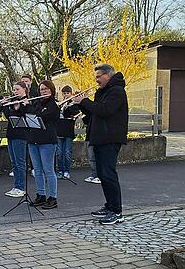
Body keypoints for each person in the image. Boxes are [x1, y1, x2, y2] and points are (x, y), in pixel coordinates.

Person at [73, 63, 129, 225]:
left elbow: (105, 111)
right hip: (99, 137)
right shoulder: (103, 92)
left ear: (108, 76)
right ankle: (109, 206)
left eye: (99, 77)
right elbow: (94, 112)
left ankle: (117, 211)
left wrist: (85, 101)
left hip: (110, 138)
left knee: (109, 174)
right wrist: (80, 104)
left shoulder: (117, 91)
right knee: (102, 175)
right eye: (96, 77)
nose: (96, 80)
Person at [27, 80, 60, 210]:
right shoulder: (36, 103)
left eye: (46, 89)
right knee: (37, 170)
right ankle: (41, 195)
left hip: (47, 141)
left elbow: (41, 116)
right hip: (33, 140)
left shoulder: (53, 105)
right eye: (41, 89)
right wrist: (25, 106)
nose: (44, 91)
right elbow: (28, 115)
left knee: (48, 170)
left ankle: (53, 197)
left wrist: (30, 108)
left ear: (51, 90)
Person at [2, 82, 31, 198]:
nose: (15, 91)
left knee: (20, 163)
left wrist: (23, 106)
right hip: (11, 134)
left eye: (17, 89)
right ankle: (16, 186)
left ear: (24, 89)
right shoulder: (13, 102)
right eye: (14, 89)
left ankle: (21, 187)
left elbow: (25, 115)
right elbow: (9, 116)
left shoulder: (27, 102)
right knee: (14, 163)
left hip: (21, 135)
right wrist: (4, 105)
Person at [55, 86, 82, 181]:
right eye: (64, 93)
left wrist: (71, 104)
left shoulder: (73, 104)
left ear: (71, 94)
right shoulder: (59, 104)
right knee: (59, 153)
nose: (66, 95)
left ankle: (66, 171)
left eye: (67, 93)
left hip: (68, 131)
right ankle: (60, 170)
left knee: (67, 152)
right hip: (59, 130)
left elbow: (76, 114)